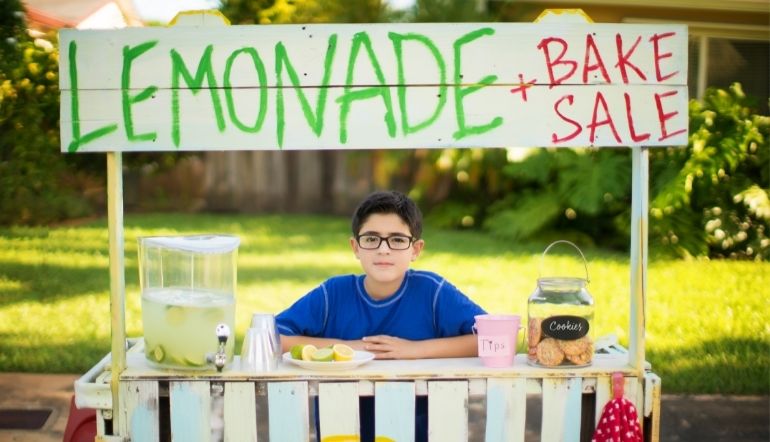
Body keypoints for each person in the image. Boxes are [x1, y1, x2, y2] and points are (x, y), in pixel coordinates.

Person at [276, 190, 486, 442]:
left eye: (397, 240)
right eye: (372, 239)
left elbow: (491, 340)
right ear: (355, 247)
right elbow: (273, 337)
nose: (384, 250)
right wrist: (350, 349)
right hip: (342, 427)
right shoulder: (333, 294)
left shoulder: (433, 292)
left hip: (419, 429)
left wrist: (415, 350)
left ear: (416, 249)